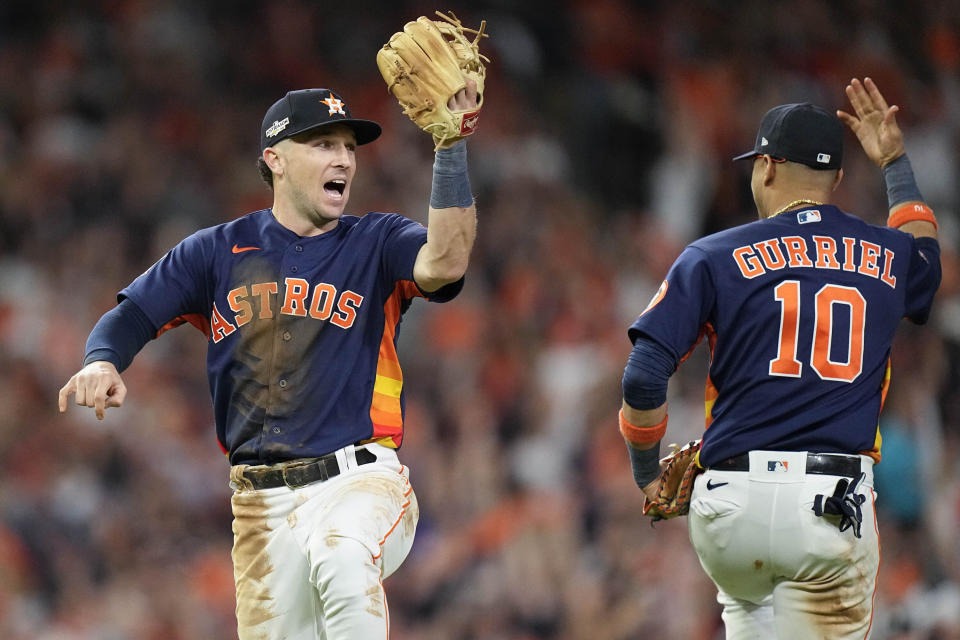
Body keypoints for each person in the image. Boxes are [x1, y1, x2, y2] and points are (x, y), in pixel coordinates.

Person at [58, 83, 479, 639]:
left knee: (343, 557)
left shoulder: (376, 240)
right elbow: (131, 315)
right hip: (260, 508)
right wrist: (102, 361)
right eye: (323, 144)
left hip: (358, 481)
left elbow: (445, 262)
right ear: (275, 160)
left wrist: (450, 147)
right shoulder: (215, 251)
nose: (343, 159)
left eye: (349, 147)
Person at [619, 77, 940, 637]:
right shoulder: (889, 255)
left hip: (731, 509)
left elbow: (644, 380)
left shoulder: (713, 254)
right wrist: (894, 163)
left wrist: (648, 474)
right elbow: (927, 261)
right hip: (830, 508)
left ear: (765, 166)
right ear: (838, 178)